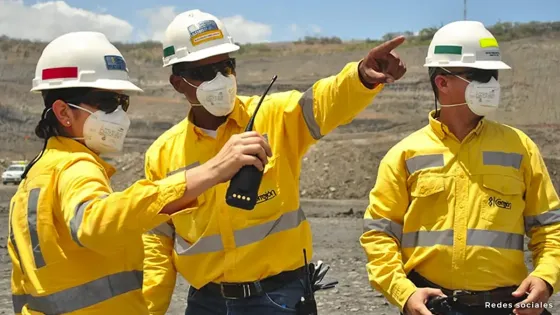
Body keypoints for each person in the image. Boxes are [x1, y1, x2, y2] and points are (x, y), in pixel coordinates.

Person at [141, 8, 407, 315]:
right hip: (207, 302)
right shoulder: (162, 155)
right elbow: (158, 245)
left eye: (226, 67)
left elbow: (326, 101)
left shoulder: (276, 115)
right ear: (178, 83)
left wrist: (360, 76)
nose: (220, 79)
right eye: (203, 73)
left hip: (279, 297)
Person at [7, 31, 271, 315]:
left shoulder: (35, 177)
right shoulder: (76, 168)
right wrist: (212, 170)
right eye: (107, 103)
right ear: (63, 112)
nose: (119, 115)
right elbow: (95, 225)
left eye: (123, 103)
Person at [359, 20, 560, 315]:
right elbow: (379, 234)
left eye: (493, 75)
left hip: (505, 305)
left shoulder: (520, 147)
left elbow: (550, 227)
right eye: (479, 75)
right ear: (442, 81)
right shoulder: (403, 154)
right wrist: (403, 292)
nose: (491, 84)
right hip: (432, 306)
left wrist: (546, 276)